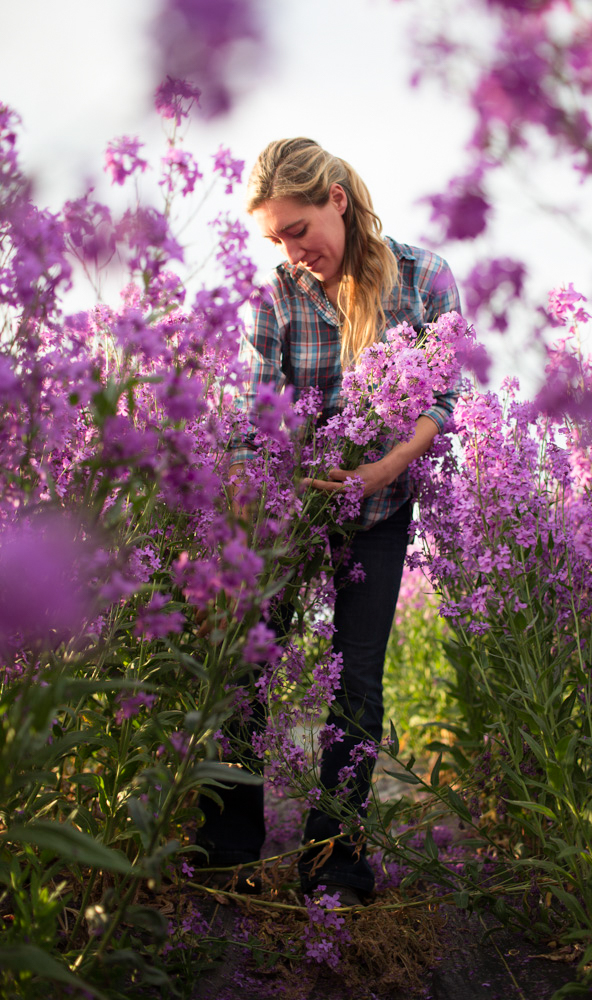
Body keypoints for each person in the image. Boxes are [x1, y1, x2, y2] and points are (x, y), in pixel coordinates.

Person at [199, 137, 461, 904]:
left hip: (378, 506)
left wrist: (384, 468)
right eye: (275, 237)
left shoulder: (426, 278)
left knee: (355, 684)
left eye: (298, 228)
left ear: (336, 201)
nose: (290, 249)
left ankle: (336, 859)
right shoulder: (275, 297)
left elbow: (439, 404)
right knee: (243, 668)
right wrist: (255, 494)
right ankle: (224, 847)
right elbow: (257, 421)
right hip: (292, 507)